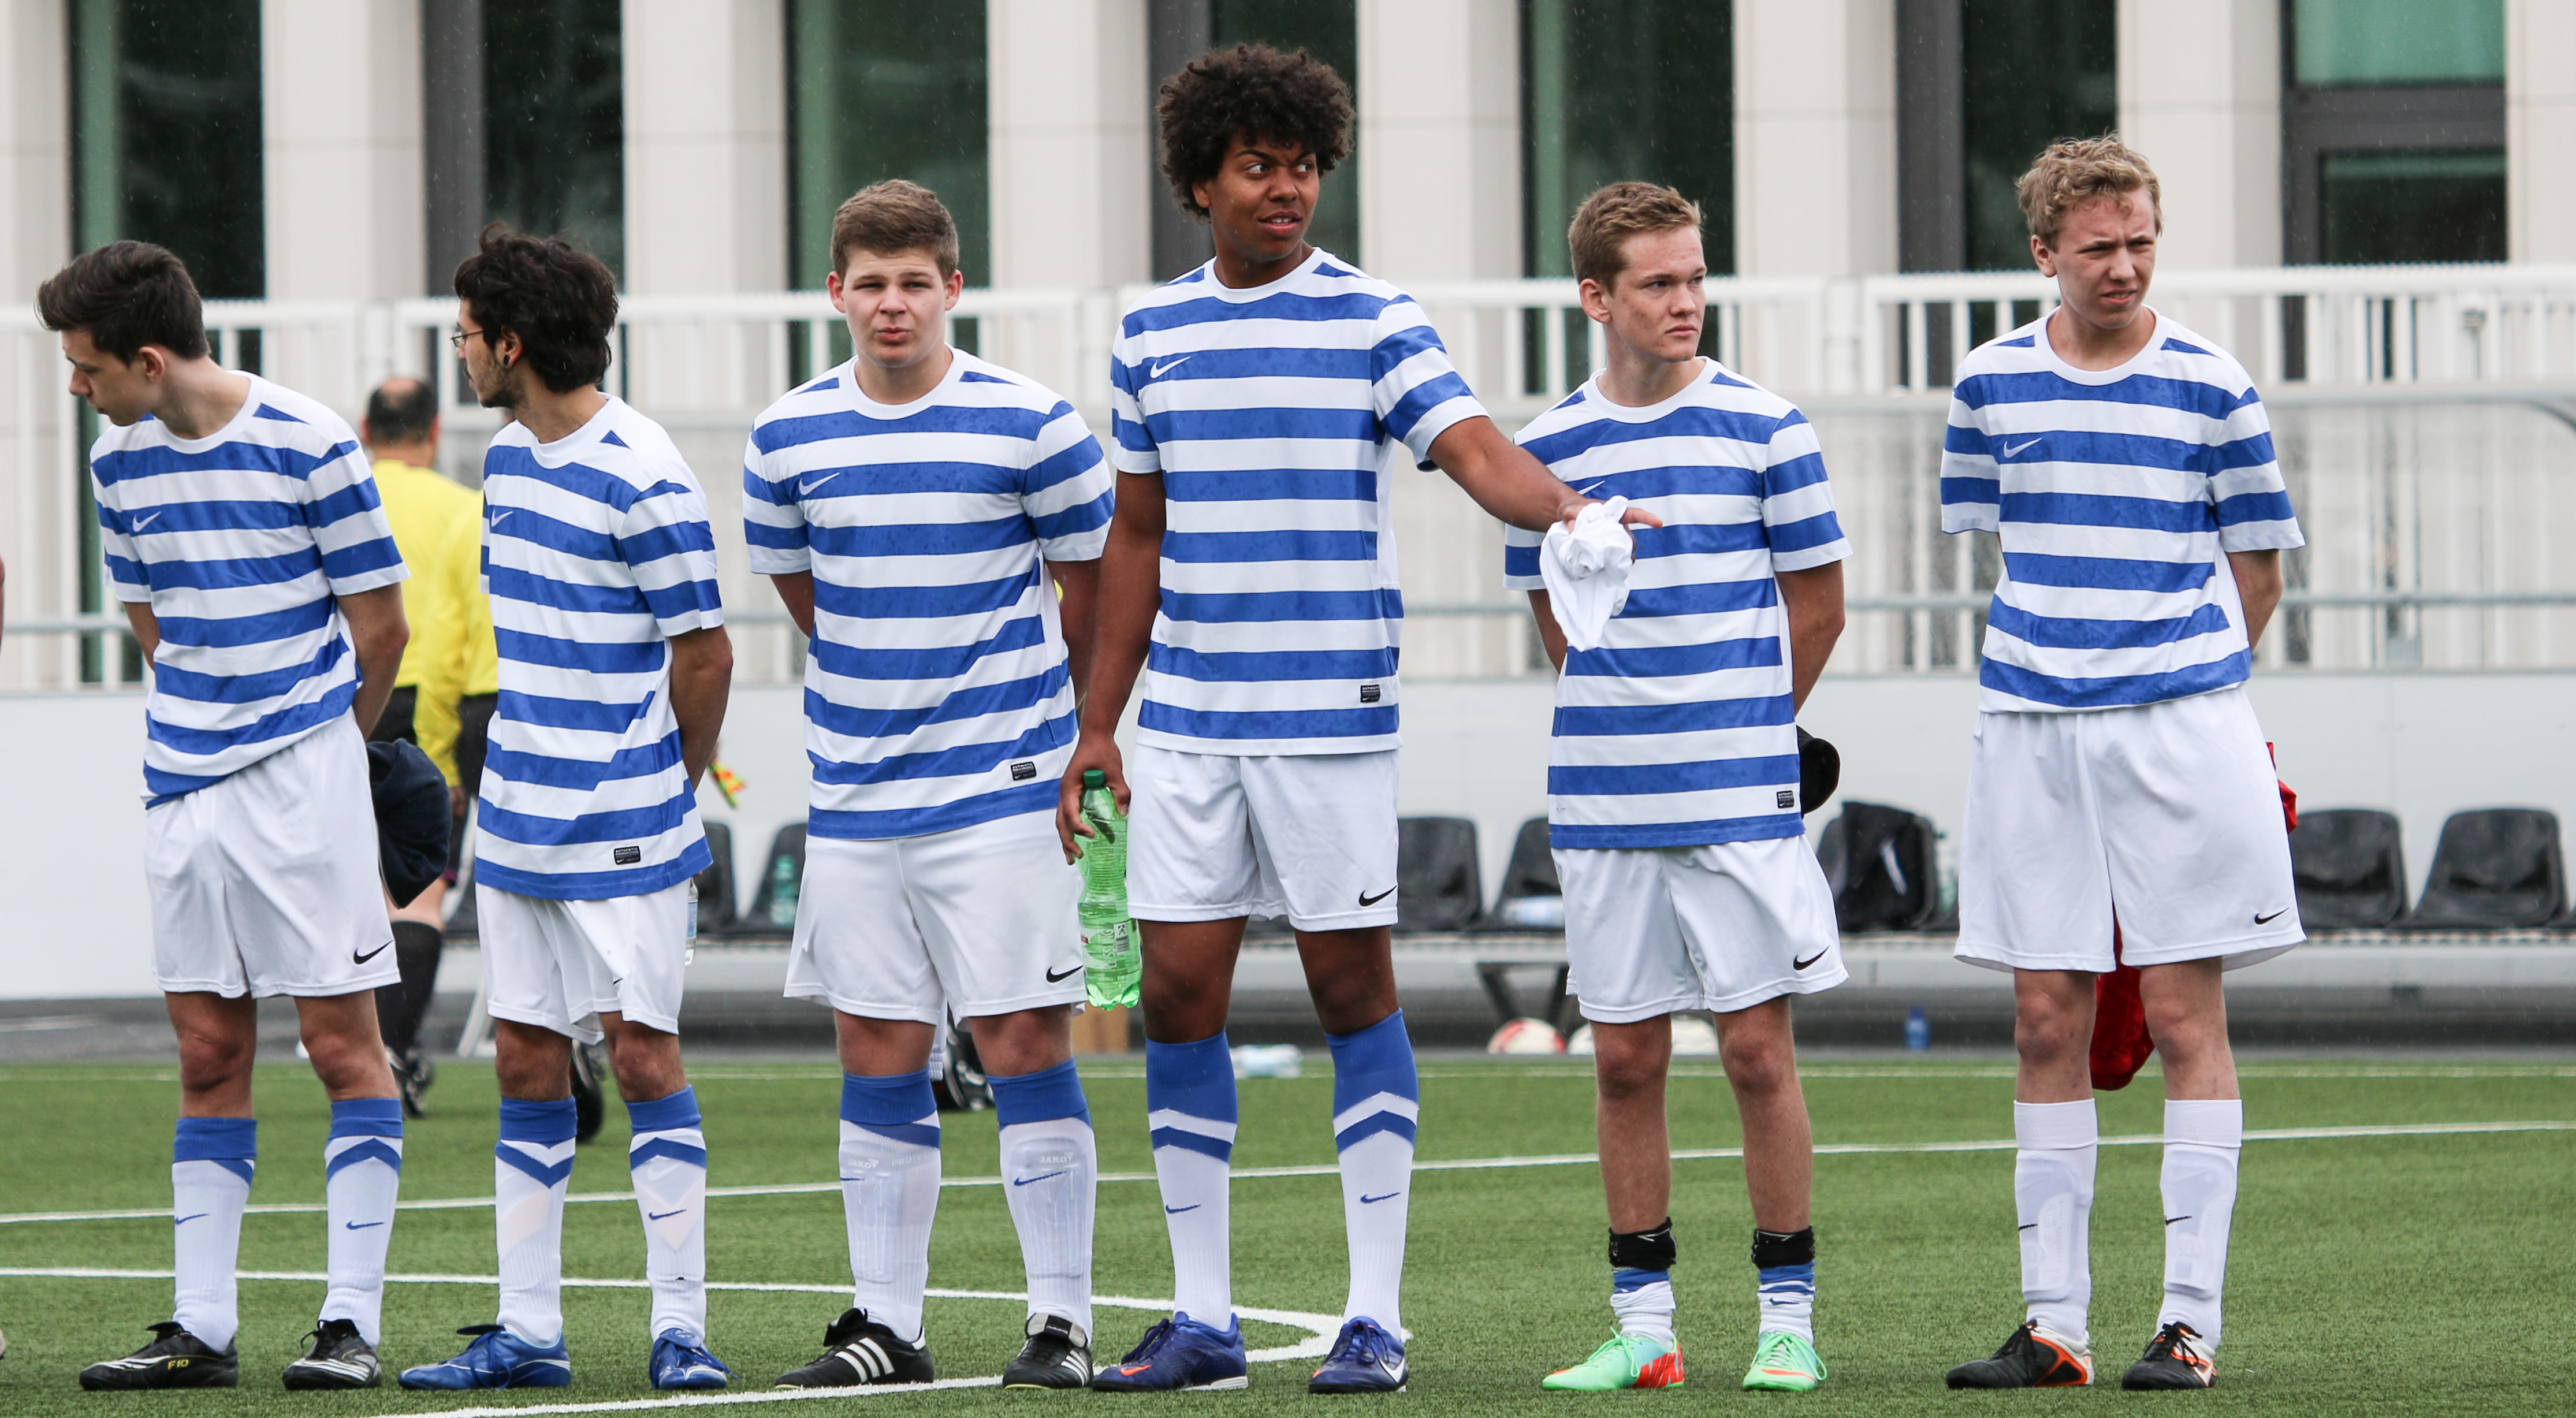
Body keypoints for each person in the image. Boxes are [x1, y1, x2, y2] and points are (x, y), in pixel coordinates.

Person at [1066, 45, 1650, 1395]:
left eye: (1302, 165)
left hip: (1332, 710)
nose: (1285, 188)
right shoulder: (1150, 334)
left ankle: (1373, 1316)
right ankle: (1201, 1320)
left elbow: (1474, 450)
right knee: (1176, 996)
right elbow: (1134, 536)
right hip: (1190, 721)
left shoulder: (1376, 316)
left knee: (1349, 991)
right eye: (1256, 166)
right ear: (1198, 180)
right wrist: (1099, 725)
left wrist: (1570, 507)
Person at [1938, 136, 2304, 1393]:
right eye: (2097, 247)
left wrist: (2179, 689)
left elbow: (2258, 573)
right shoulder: (1989, 383)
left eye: (2140, 241)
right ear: (2044, 251)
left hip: (2178, 729)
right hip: (2030, 732)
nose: (2124, 265)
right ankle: (2055, 1328)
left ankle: (2187, 1326)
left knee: (2186, 1012)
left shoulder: (2213, 383)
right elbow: (1998, 540)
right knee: (2044, 1017)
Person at [742, 180, 1114, 1392]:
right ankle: (886, 1326)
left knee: (1021, 1041)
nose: (891, 304)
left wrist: (1069, 733)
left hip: (1002, 789)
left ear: (954, 287)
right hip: (855, 797)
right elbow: (809, 597)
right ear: (836, 292)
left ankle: (1060, 1321)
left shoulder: (1033, 423)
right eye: (870, 283)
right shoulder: (786, 436)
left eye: (914, 282)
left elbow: (1095, 588)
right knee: (876, 1049)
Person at [43, 241, 413, 1391]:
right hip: (181, 787)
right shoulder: (115, 459)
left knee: (344, 1048)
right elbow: (150, 621)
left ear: (149, 360)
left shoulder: (311, 438)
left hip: (304, 781)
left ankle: (349, 1325)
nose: (76, 386)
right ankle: (200, 1329)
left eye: (88, 366)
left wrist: (327, 755)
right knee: (207, 1052)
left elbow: (382, 627)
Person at [1509, 184, 1851, 1396]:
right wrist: (1627, 714)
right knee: (1622, 1062)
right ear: (1596, 298)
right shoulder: (1542, 450)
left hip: (1737, 797)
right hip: (1603, 799)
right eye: (1658, 282)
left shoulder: (1768, 427)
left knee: (1756, 1052)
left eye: (1695, 277)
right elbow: (1554, 620)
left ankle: (1786, 1320)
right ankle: (1645, 1330)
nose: (1686, 301)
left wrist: (1746, 728)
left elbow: (1820, 607)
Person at [397, 226, 736, 1394]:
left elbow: (706, 653)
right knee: (526, 1062)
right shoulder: (505, 461)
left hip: (626, 825)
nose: (457, 353)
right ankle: (528, 1331)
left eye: (465, 334)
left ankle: (682, 1330)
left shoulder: (645, 471)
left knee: (642, 1058)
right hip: (518, 822)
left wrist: (667, 788)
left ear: (511, 344)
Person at [359, 375, 500, 1114]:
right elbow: (455, 628)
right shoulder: (462, 508)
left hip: (351, 698)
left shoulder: (342, 497)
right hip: (425, 701)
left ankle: (351, 1045)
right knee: (421, 887)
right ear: (434, 431)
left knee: (350, 883)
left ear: (364, 429)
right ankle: (391, 1045)